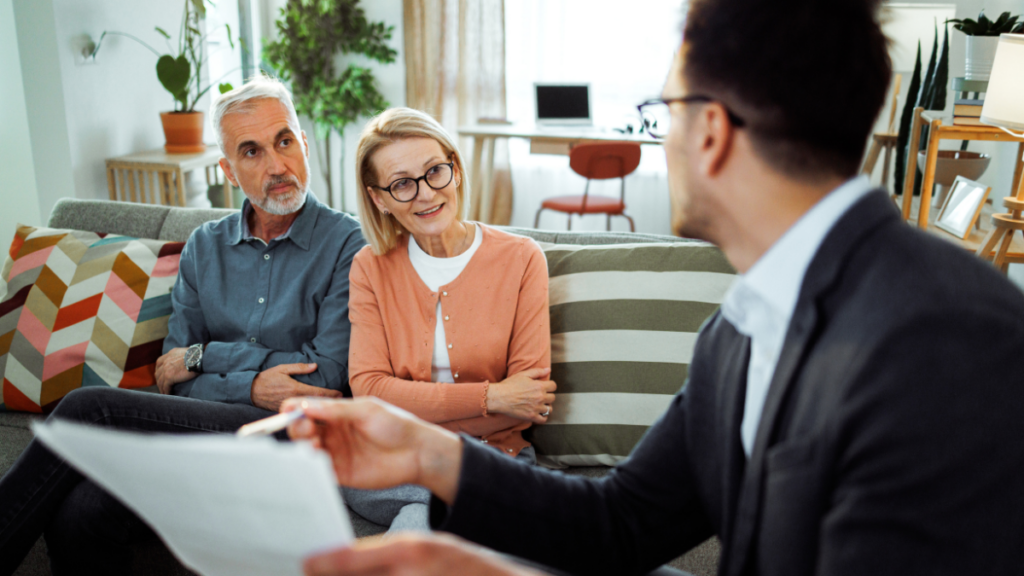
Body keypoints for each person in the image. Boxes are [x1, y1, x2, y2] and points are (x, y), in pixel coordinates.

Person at [281, 0, 1024, 575]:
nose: (660, 138)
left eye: (662, 111)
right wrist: (432, 460)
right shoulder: (739, 326)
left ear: (709, 131)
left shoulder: (950, 337)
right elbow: (622, 523)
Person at [0, 76, 366, 576]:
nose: (277, 166)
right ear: (229, 171)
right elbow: (172, 383)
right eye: (251, 151)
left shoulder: (349, 244)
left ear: (304, 142)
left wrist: (207, 358)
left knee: (89, 407)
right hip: (196, 436)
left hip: (285, 442)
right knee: (80, 512)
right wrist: (255, 382)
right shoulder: (204, 246)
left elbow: (321, 380)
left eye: (284, 141)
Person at [339, 107, 554, 534]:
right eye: (402, 183)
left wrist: (411, 407)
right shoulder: (369, 267)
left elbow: (528, 401)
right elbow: (368, 389)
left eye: (434, 171)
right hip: (387, 465)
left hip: (494, 458)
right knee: (459, 507)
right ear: (379, 199)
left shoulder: (522, 259)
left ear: (454, 169)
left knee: (424, 516)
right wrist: (491, 398)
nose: (425, 193)